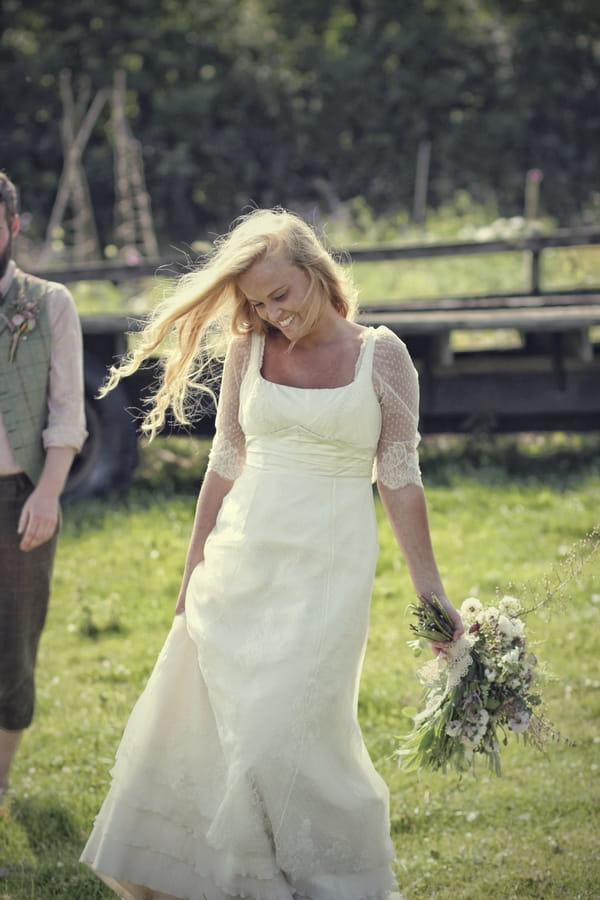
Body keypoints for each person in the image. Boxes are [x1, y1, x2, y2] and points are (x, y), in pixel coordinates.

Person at [81, 207, 463, 900]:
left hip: (326, 566)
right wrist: (191, 572)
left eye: (280, 295)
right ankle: (237, 879)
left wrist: (430, 591)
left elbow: (400, 476)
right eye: (256, 303)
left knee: (284, 735)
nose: (272, 314)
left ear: (316, 272)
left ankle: (324, 877)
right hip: (242, 558)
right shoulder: (248, 350)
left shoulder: (382, 355)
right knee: (224, 728)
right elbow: (224, 461)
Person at [0, 172, 87, 801]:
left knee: (13, 644)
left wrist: (49, 492)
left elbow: (66, 412)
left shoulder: (48, 303)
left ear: (12, 225)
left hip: (19, 497)